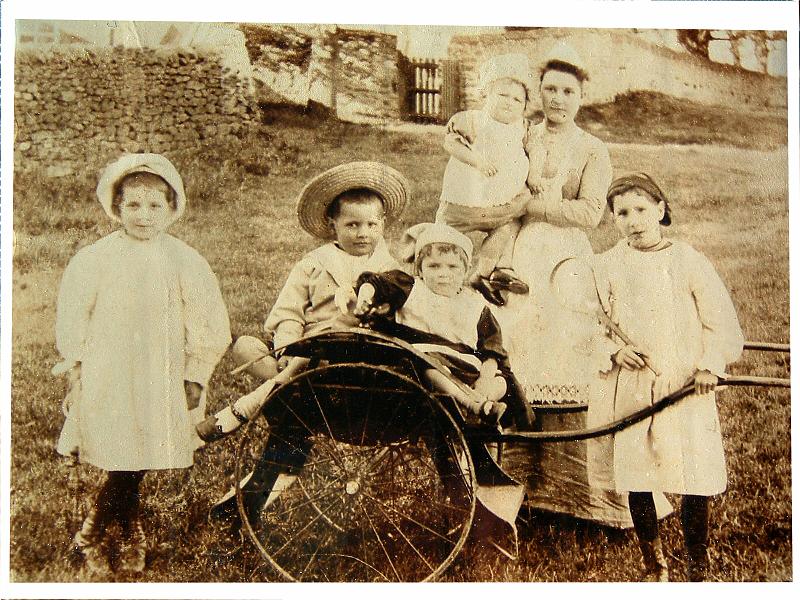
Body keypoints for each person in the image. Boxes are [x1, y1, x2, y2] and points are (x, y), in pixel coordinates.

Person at [492, 43, 660, 528]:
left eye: (567, 91)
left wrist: (533, 205)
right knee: (518, 350)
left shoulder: (591, 149)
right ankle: (522, 487)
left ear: (581, 96)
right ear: (538, 94)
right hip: (519, 251)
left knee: (571, 351)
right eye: (549, 89)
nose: (557, 99)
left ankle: (582, 496)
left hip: (565, 258)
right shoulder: (522, 136)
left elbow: (590, 213)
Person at [53, 153, 231, 579]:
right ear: (115, 207)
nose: (144, 216)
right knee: (119, 448)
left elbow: (208, 321)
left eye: (155, 206)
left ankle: (101, 526)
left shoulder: (184, 259)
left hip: (161, 370)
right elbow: (74, 316)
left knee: (143, 447)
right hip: (109, 369)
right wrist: (77, 371)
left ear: (173, 208)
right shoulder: (95, 258)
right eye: (132, 205)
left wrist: (196, 373)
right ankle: (115, 529)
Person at [587, 173, 744, 581]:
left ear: (660, 209)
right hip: (633, 385)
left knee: (694, 473)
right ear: (612, 220)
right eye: (622, 213)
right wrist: (614, 349)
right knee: (638, 472)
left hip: (684, 381)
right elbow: (589, 324)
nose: (633, 220)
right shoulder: (606, 265)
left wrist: (710, 365)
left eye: (641, 209)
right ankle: (653, 561)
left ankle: (697, 562)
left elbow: (720, 320)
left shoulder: (687, 259)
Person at [231, 161, 407, 379]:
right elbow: (289, 312)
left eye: (371, 225)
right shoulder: (314, 264)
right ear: (333, 225)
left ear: (382, 224)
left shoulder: (388, 269)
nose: (363, 233)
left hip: (363, 354)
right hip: (310, 349)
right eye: (352, 225)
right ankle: (293, 380)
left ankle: (287, 385)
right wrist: (288, 348)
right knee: (244, 346)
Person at [354, 222, 534, 429]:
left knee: (501, 381)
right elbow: (377, 283)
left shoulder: (475, 305)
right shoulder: (412, 289)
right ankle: (474, 406)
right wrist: (365, 296)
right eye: (434, 266)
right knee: (428, 367)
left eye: (452, 267)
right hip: (428, 361)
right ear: (419, 270)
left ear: (465, 270)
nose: (443, 273)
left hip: (467, 369)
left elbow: (492, 350)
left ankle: (480, 402)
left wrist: (485, 380)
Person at [437, 53, 539, 304]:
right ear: (486, 95)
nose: (510, 102)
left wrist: (534, 173)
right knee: (443, 238)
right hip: (465, 201)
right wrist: (477, 161)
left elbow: (537, 149)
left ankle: (483, 273)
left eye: (518, 99)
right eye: (503, 95)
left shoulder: (523, 127)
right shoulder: (472, 120)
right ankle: (433, 276)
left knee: (509, 227)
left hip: (501, 204)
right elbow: (451, 144)